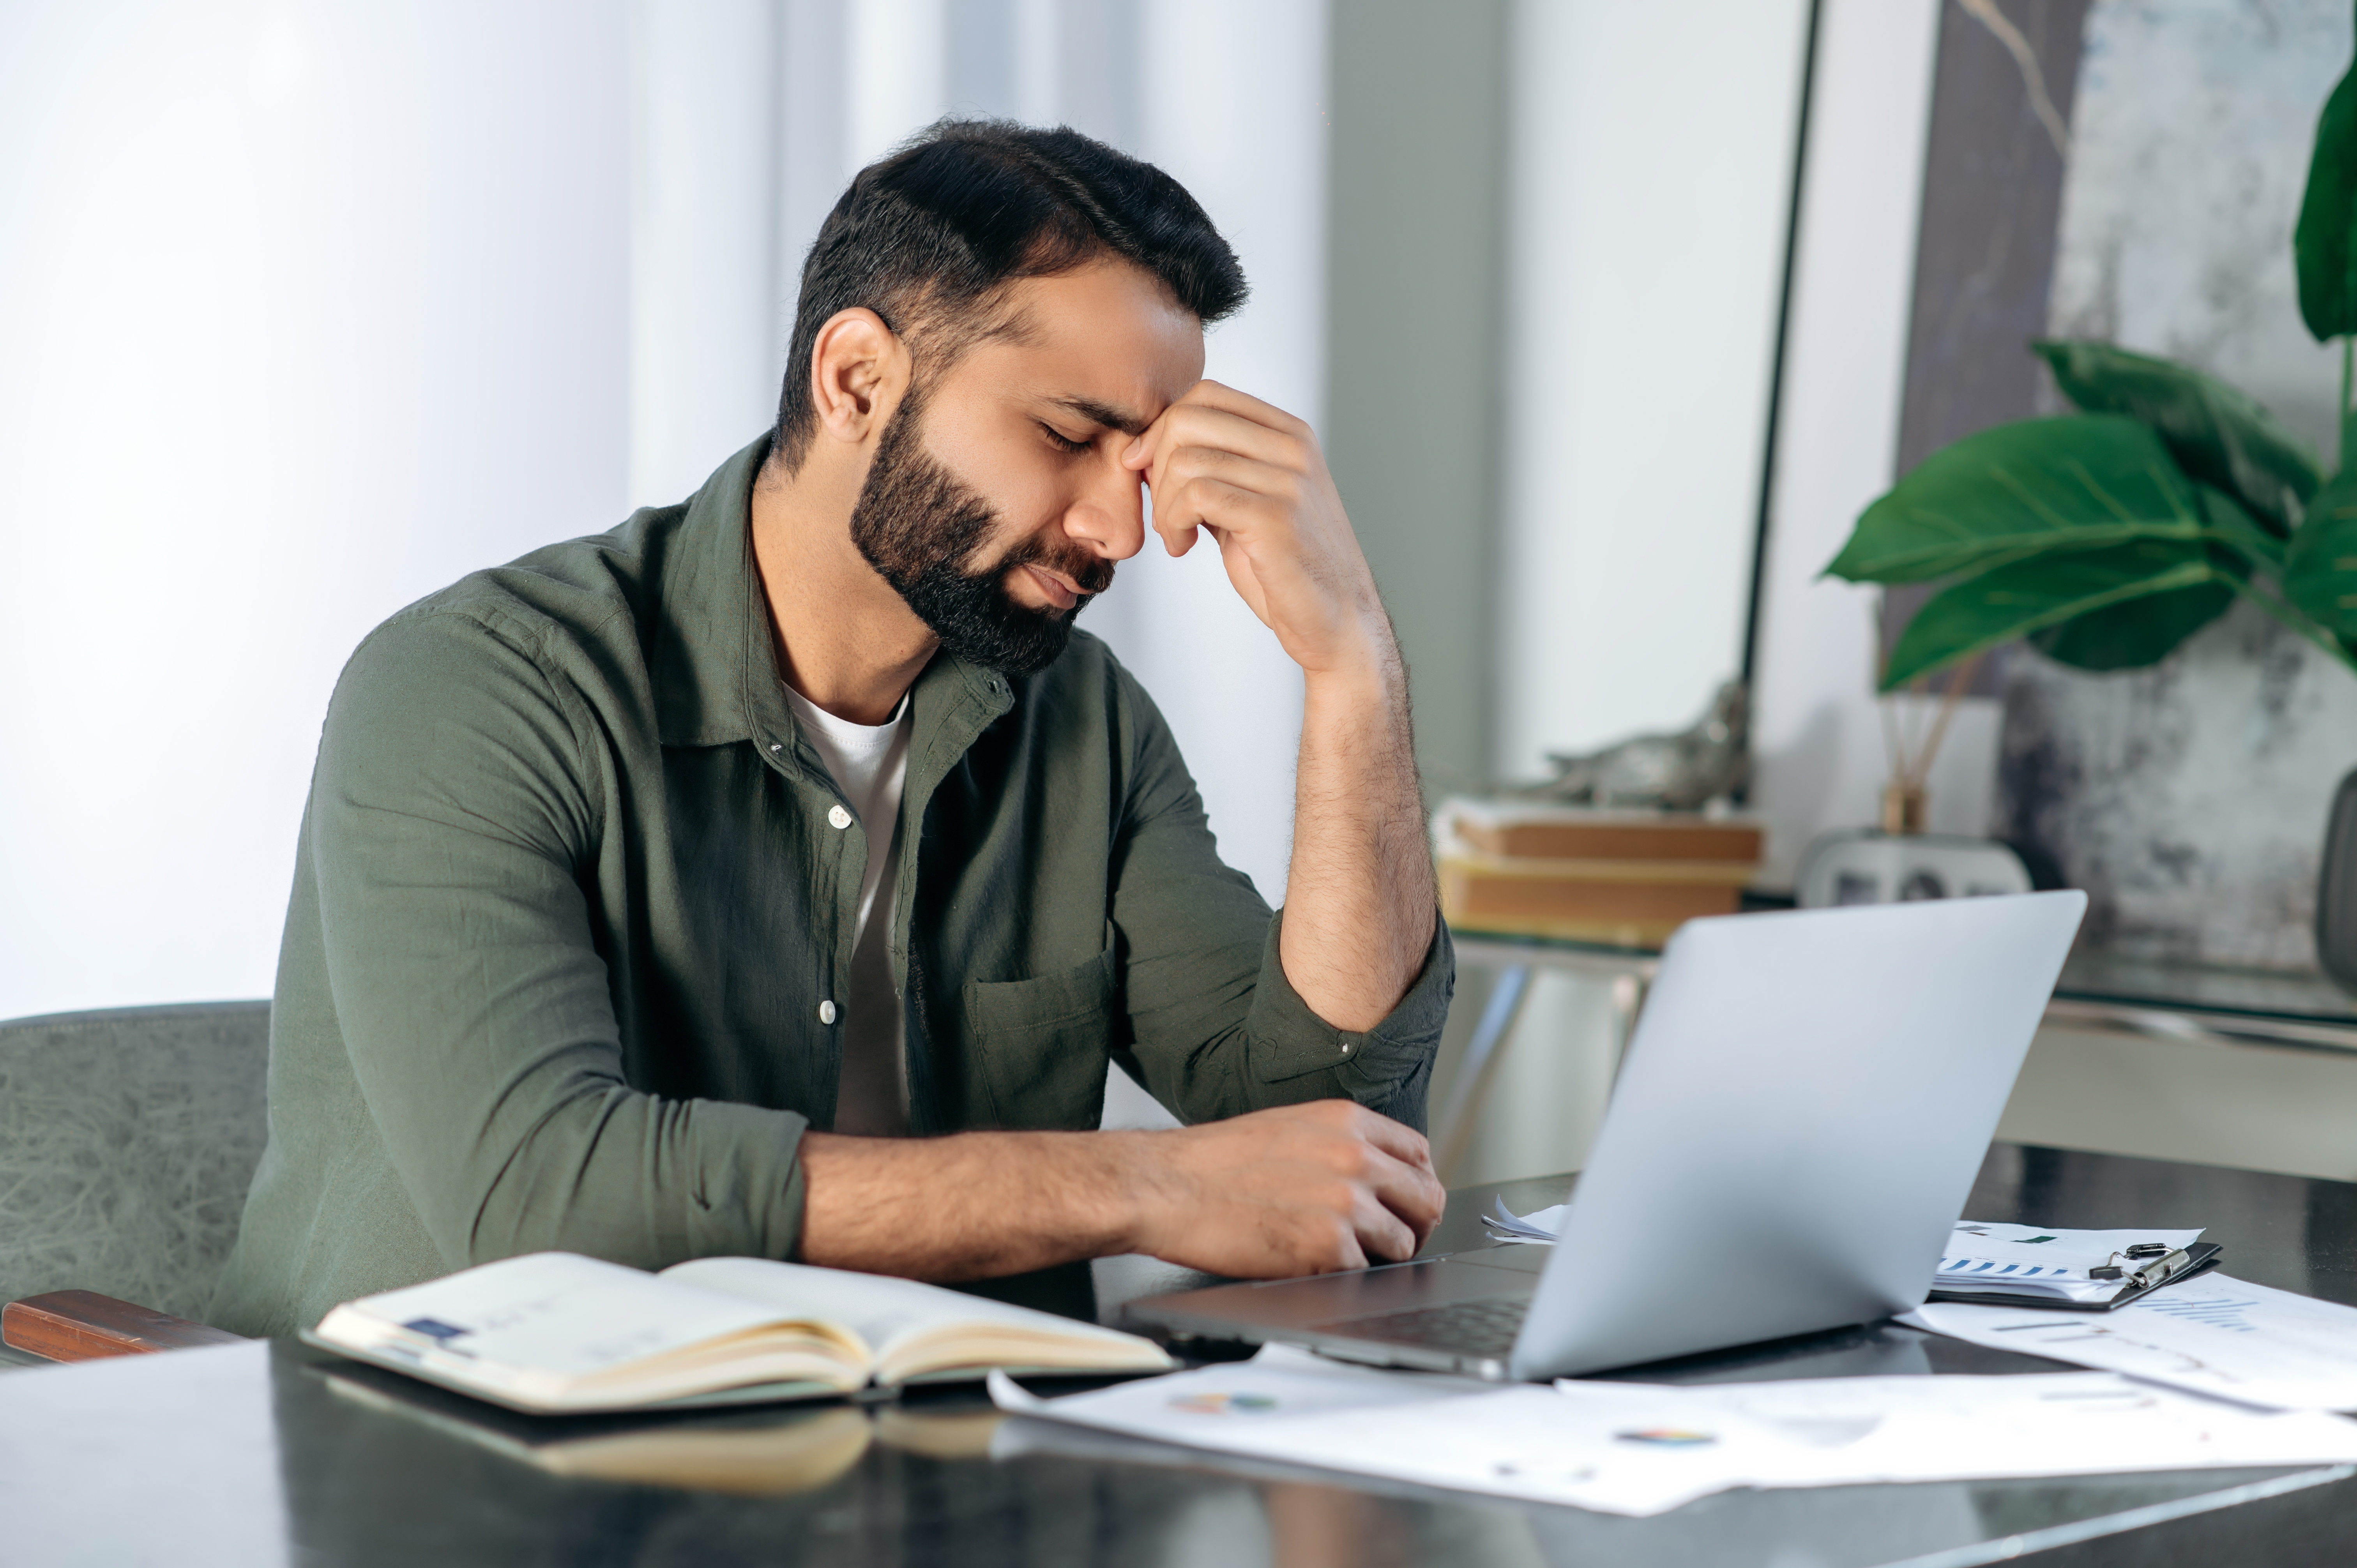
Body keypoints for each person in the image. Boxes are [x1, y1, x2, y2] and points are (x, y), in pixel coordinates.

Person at [211, 120, 1452, 1337]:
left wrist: (1353, 669)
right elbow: (544, 1191)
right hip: (464, 1481)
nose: (1121, 533)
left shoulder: (1080, 722)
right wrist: (1141, 1188)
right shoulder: (475, 687)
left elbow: (1332, 1127)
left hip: (935, 1468)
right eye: (1068, 438)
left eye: (1139, 468)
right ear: (857, 379)